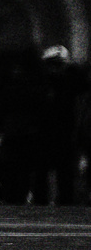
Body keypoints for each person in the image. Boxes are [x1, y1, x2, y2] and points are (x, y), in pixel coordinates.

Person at [29, 45, 88, 205]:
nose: (54, 69)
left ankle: (65, 202)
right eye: (51, 64)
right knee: (42, 171)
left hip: (65, 132)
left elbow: (81, 86)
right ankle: (41, 201)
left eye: (57, 64)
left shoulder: (70, 83)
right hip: (45, 132)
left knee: (65, 171)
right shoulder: (42, 84)